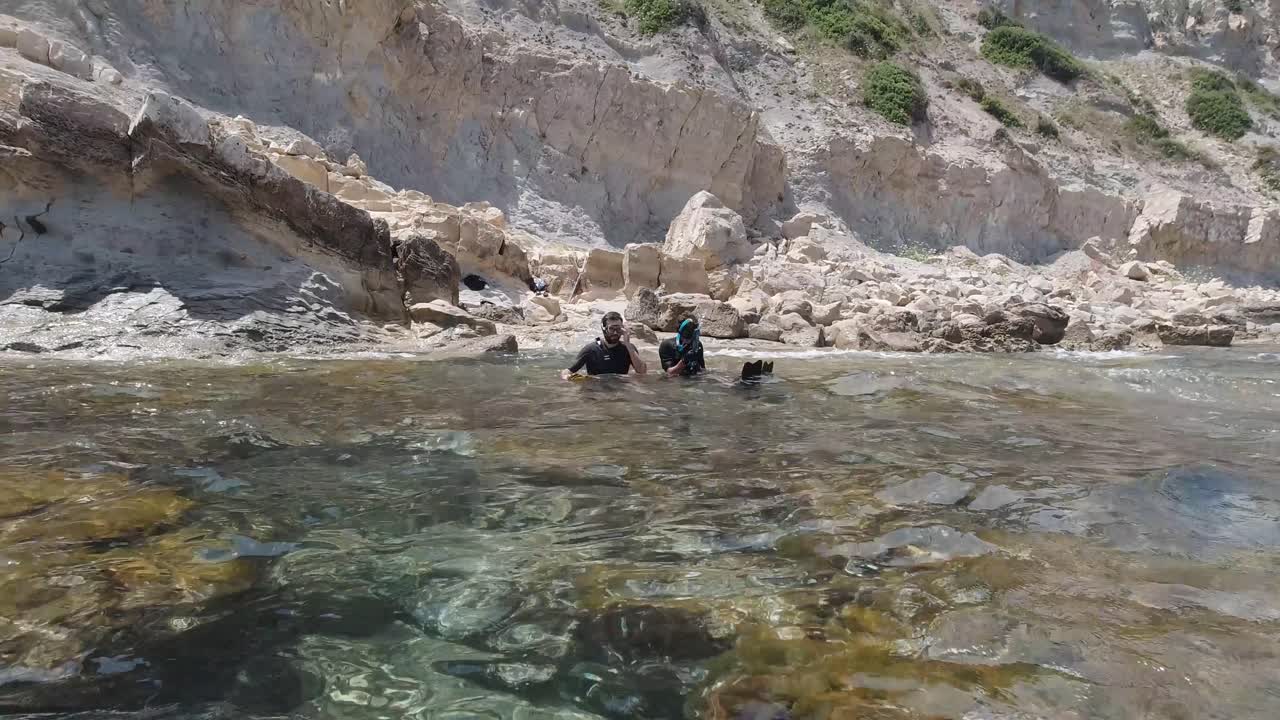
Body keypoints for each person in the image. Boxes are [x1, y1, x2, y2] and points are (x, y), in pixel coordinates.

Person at [562, 311, 647, 379]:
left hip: (620, 393)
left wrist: (628, 344)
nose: (615, 332)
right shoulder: (591, 349)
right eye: (611, 329)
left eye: (618, 328)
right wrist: (568, 378)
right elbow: (567, 371)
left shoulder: (628, 348)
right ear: (604, 329)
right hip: (597, 394)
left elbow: (642, 371)